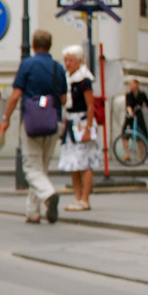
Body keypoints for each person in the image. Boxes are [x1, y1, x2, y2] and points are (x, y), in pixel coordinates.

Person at [0, 29, 68, 224]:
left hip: (32, 122)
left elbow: (15, 95)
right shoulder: (58, 68)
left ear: (34, 44)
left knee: (31, 168)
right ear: (50, 45)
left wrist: (6, 119)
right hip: (52, 121)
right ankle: (33, 212)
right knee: (42, 168)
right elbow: (63, 98)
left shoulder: (27, 64)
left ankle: (49, 195)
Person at [58, 44, 100, 213]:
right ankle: (77, 196)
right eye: (66, 60)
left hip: (82, 121)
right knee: (73, 163)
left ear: (80, 61)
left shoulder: (84, 80)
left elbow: (91, 105)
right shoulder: (67, 79)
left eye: (71, 60)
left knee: (84, 161)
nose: (67, 63)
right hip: (70, 121)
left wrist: (88, 127)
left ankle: (85, 198)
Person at [123, 78, 148, 146]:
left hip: (139, 115)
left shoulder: (141, 94)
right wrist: (130, 112)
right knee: (125, 134)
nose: (130, 86)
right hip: (130, 116)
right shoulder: (129, 94)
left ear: (137, 84)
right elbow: (128, 105)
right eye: (130, 84)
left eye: (132, 84)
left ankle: (142, 154)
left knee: (142, 134)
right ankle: (127, 154)